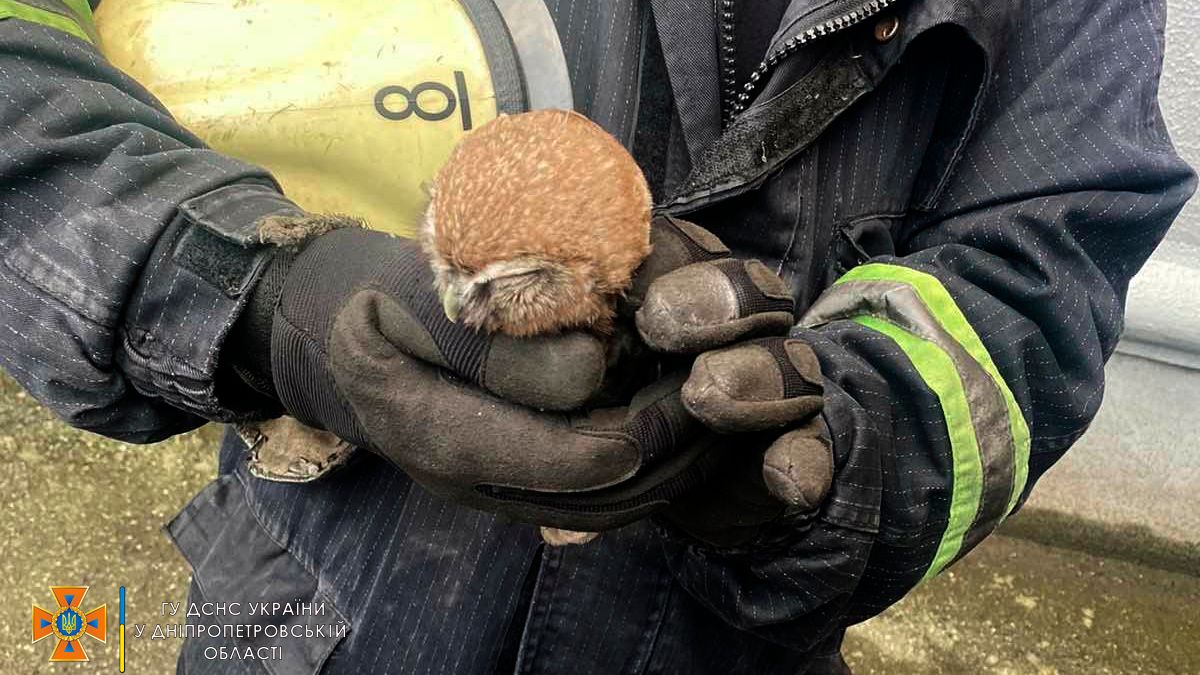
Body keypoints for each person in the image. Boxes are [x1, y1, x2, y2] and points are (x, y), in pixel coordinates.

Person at [0, 0, 1193, 673]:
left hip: (719, 650)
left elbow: (1045, 263)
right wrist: (247, 289)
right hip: (308, 606)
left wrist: (839, 453)